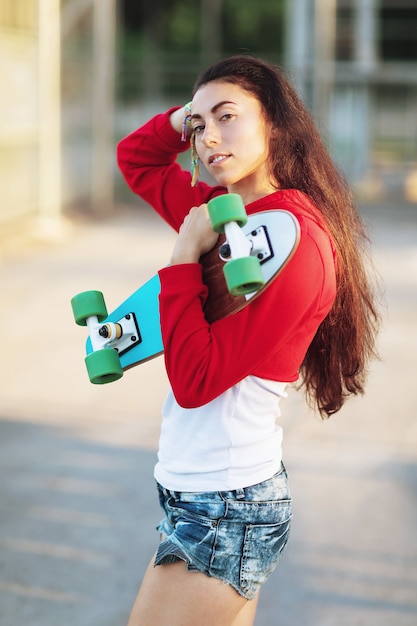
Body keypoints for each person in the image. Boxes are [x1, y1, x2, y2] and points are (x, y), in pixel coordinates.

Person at [117, 55, 380, 626]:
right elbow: (135, 159)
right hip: (199, 492)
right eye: (198, 125)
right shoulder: (222, 212)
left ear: (275, 125)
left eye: (227, 116)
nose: (208, 137)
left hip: (225, 504)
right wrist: (183, 116)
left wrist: (184, 260)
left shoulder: (293, 240)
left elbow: (196, 381)